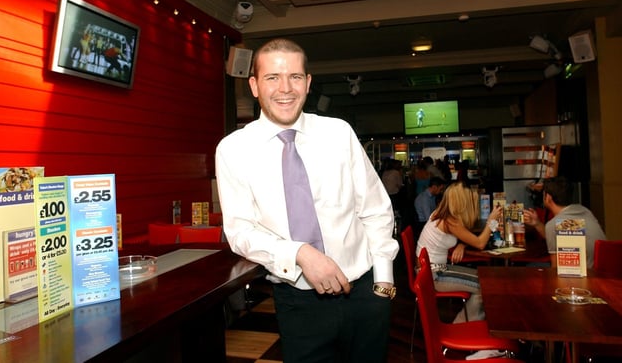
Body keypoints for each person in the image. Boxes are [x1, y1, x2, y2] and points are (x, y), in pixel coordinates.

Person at [215, 38, 399, 363]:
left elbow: (375, 208)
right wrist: (299, 253)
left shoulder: (338, 133)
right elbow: (240, 231)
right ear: (254, 85)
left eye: (295, 77)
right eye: (272, 77)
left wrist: (383, 283)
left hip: (365, 293)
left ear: (308, 83)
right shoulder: (232, 150)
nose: (285, 88)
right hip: (297, 302)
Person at [416, 182, 502, 324]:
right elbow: (480, 243)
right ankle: (463, 325)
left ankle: (471, 322)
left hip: (431, 269)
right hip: (433, 275)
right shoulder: (450, 221)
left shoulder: (441, 213)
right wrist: (492, 221)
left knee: (485, 279)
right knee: (486, 286)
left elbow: (468, 236)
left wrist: (462, 244)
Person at [522, 176, 606, 268]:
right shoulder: (585, 211)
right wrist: (537, 223)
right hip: (602, 271)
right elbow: (561, 235)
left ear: (548, 197)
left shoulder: (554, 224)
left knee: (530, 267)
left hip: (585, 278)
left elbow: (556, 268)